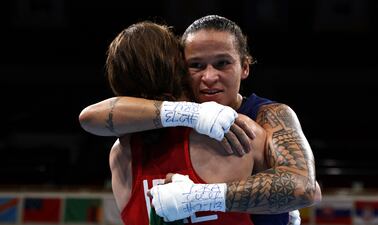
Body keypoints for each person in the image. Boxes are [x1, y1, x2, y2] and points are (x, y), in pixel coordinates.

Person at [79, 16, 321, 224]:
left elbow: (305, 188)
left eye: (222, 64)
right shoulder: (158, 131)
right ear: (181, 71)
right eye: (196, 65)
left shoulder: (265, 117)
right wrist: (191, 113)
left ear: (245, 67)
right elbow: (90, 116)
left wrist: (196, 197)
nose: (209, 77)